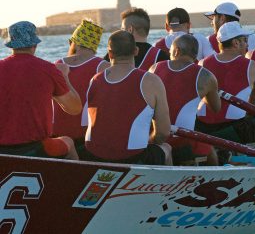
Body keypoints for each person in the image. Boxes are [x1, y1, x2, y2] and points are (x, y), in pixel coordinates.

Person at [85, 30, 172, 165]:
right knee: (166, 148)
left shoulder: (94, 80)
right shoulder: (151, 80)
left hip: (93, 155)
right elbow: (163, 132)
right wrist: (150, 140)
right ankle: (165, 185)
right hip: (132, 157)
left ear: (110, 54)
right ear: (136, 51)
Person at [0, 21, 82, 159]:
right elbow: (74, 108)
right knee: (68, 142)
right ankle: (74, 180)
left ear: (10, 44)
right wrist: (64, 77)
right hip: (37, 147)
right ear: (35, 44)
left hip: (2, 151)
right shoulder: (48, 70)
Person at [196, 21, 255, 164]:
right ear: (236, 43)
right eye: (244, 40)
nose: (247, 45)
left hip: (203, 130)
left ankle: (223, 153)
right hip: (232, 129)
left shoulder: (202, 63)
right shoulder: (253, 66)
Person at [150, 34, 221, 165]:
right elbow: (216, 108)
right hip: (183, 139)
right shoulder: (206, 76)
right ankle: (215, 179)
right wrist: (205, 94)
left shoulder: (154, 68)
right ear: (195, 55)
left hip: (153, 136)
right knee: (211, 150)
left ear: (176, 51)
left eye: (170, 51)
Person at [53, 20, 110, 160]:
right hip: (85, 135)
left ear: (74, 42)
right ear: (95, 45)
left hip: (56, 133)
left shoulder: (57, 64)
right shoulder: (103, 67)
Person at [104, 7, 169, 70]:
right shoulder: (161, 56)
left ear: (130, 30)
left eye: (123, 29)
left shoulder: (114, 53)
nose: (121, 31)